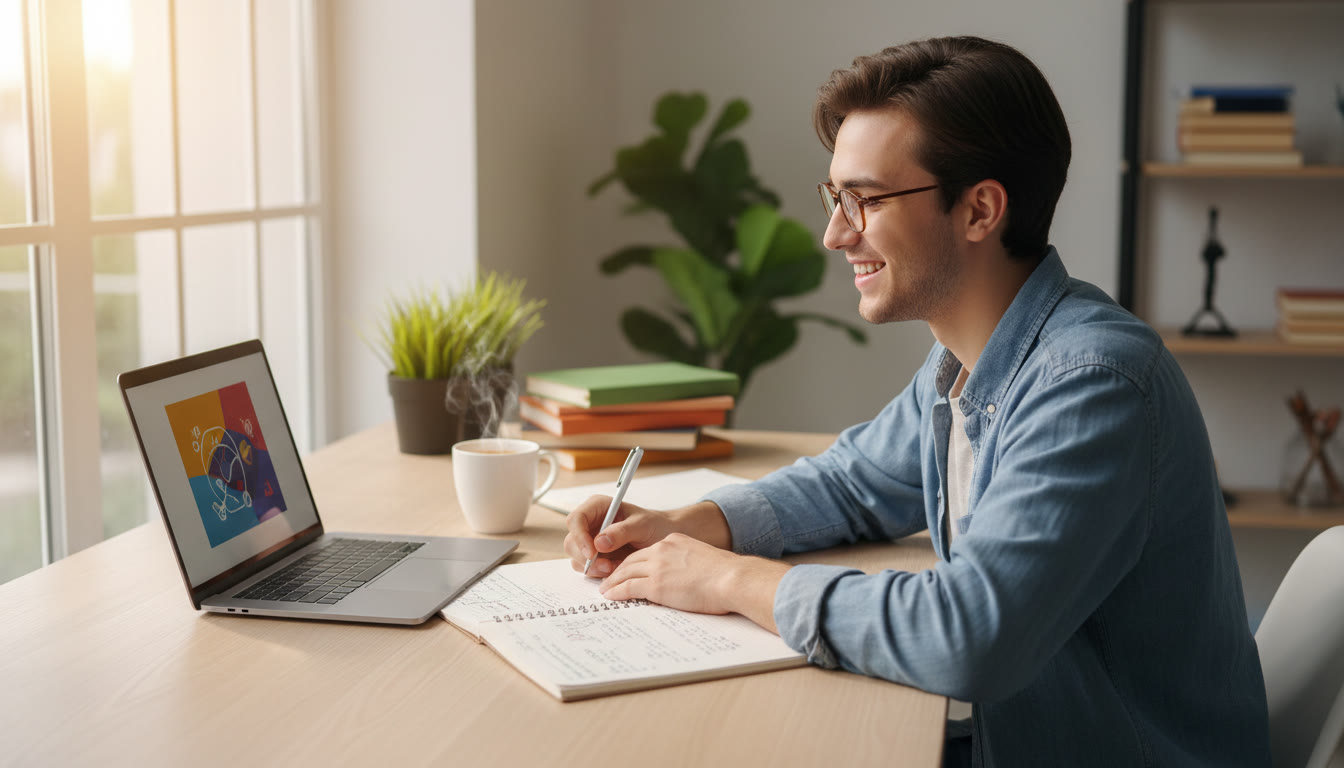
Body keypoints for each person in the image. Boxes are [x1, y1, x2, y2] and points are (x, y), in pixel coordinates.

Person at [564, 36, 1269, 767]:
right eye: (836, 198)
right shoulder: (968, 361)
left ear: (979, 210)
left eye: (864, 200)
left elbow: (969, 637)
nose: (836, 233)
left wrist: (728, 580)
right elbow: (854, 482)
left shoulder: (1092, 384)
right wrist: (693, 524)